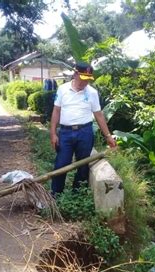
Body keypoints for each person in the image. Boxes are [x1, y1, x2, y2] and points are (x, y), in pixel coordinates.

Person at [49, 62, 116, 195]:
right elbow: (56, 111)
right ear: (75, 74)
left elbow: (98, 115)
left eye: (87, 80)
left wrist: (108, 136)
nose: (85, 83)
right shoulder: (62, 89)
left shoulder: (92, 93)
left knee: (83, 166)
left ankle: (77, 194)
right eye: (83, 79)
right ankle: (55, 195)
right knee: (61, 164)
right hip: (65, 133)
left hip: (85, 132)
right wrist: (53, 133)